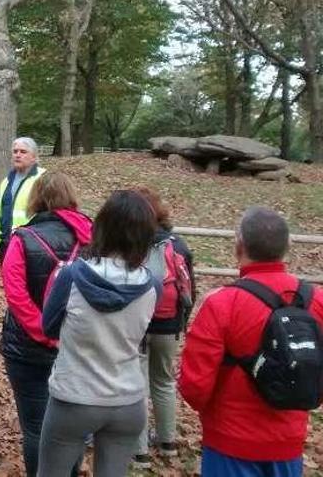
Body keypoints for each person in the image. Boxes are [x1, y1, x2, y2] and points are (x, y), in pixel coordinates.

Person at [179, 207, 323, 477]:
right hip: (288, 440)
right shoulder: (316, 301)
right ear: (288, 246)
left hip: (229, 441)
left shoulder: (221, 303)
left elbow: (194, 386)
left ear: (239, 245)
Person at [38, 190, 161, 477]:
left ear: (102, 226)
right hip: (127, 400)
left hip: (74, 396)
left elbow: (48, 326)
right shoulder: (153, 285)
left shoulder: (71, 276)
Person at [0, 172, 92, 476]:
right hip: (78, 345)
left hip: (27, 348)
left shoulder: (22, 238)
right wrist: (63, 335)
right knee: (73, 426)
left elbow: (16, 296)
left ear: (36, 198)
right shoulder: (93, 240)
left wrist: (44, 331)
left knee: (36, 428)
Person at [132, 187, 196, 469]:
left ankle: (139, 450)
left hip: (137, 322)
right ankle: (168, 442)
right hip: (168, 325)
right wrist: (181, 323)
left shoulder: (130, 243)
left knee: (138, 384)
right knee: (164, 381)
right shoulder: (178, 244)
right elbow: (189, 289)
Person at [0, 137, 47, 262]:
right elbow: (0, 211)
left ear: (34, 157)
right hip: (5, 243)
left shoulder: (43, 179)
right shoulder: (6, 181)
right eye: (15, 151)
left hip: (30, 244)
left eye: (23, 152)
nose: (18, 155)